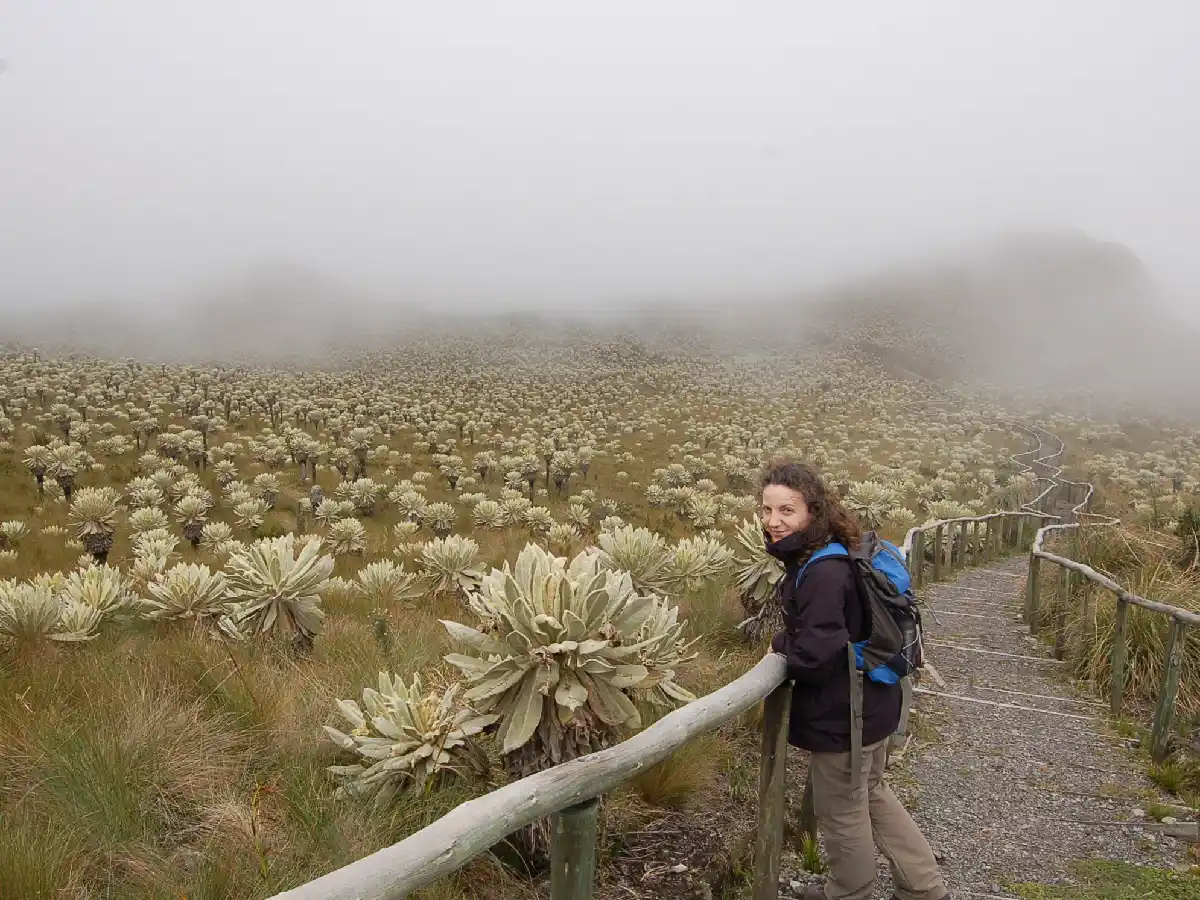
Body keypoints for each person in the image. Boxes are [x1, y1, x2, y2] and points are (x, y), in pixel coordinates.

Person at [762, 460, 949, 900]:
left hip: (847, 714)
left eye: (787, 510)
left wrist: (780, 642)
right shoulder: (837, 549)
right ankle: (924, 889)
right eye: (767, 510)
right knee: (872, 792)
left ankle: (849, 892)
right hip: (875, 700)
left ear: (813, 511)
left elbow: (815, 656)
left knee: (843, 810)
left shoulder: (823, 571)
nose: (773, 521)